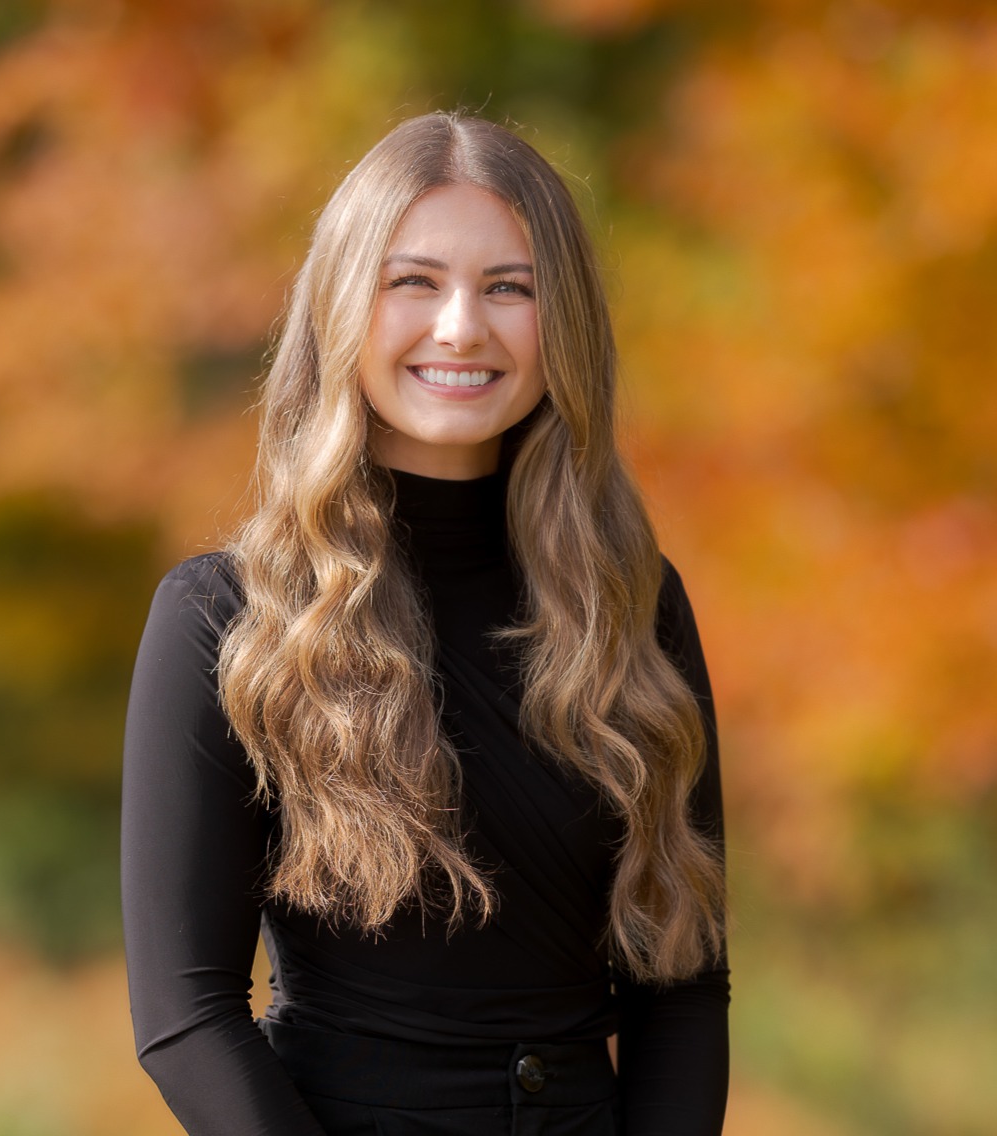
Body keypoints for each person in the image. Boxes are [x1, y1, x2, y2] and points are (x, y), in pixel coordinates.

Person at [121, 111, 729, 1136]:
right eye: (414, 281)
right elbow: (185, 1018)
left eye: (510, 286)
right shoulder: (227, 616)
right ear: (341, 308)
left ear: (563, 322)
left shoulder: (634, 602)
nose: (461, 327)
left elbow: (680, 985)